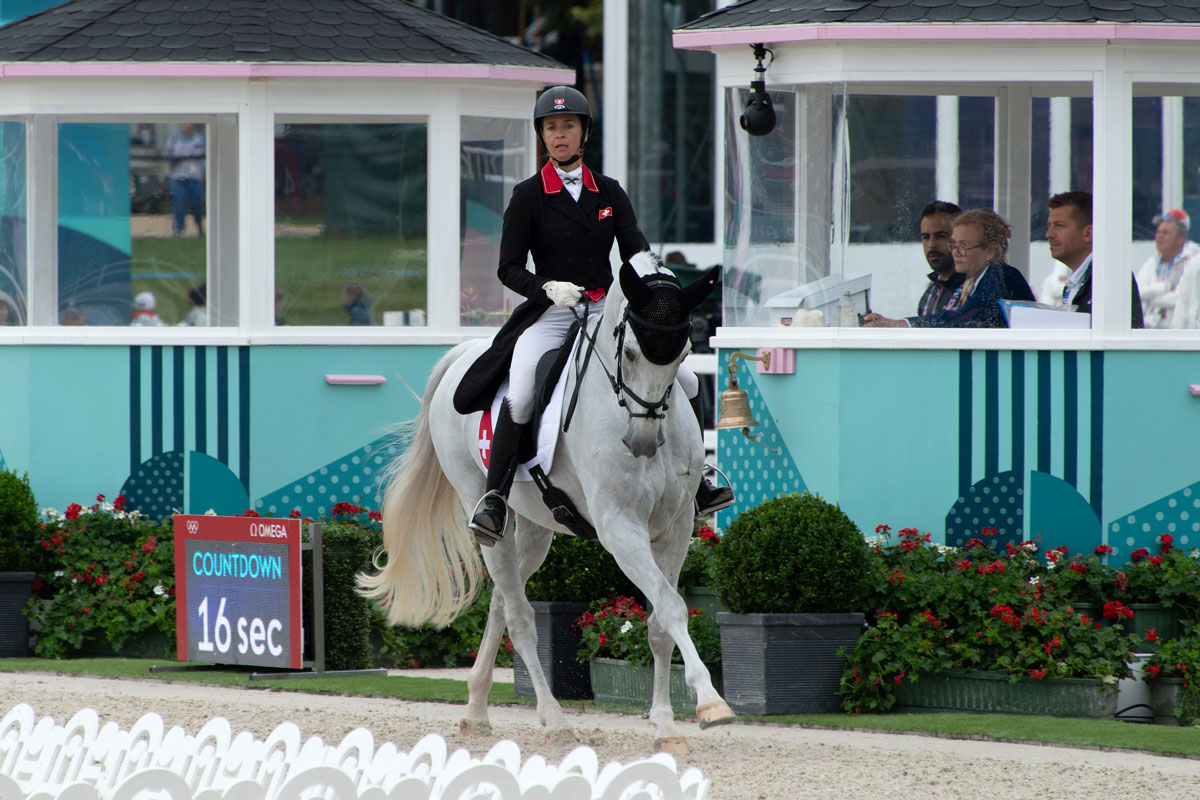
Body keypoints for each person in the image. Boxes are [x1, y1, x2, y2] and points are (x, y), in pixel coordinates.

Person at [452, 85, 732, 545]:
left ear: (584, 133)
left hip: (605, 307)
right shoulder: (528, 195)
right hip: (553, 310)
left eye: (568, 126)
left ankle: (699, 477)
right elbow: (508, 267)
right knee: (520, 394)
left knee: (685, 378)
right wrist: (546, 288)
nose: (559, 134)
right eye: (550, 127)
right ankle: (495, 499)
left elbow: (636, 250)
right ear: (542, 136)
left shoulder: (609, 191)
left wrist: (656, 281)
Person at [863, 208, 1034, 328]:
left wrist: (901, 324)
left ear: (990, 251)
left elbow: (965, 318)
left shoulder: (1001, 277)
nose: (956, 253)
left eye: (964, 246)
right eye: (954, 245)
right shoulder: (972, 280)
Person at [1046, 191, 1144, 328]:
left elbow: (1117, 337)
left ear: (1088, 233)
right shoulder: (1084, 279)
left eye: (1059, 225)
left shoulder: (1109, 279)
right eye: (1049, 226)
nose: (1049, 234)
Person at [1135, 208, 1200, 328]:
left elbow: (1183, 297)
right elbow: (1137, 292)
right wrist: (1165, 287)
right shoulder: (1153, 261)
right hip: (1152, 329)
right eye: (1158, 232)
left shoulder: (1194, 261)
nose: (1159, 236)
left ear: (1180, 239)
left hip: (1181, 333)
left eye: (1165, 233)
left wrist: (1150, 300)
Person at [915, 200, 966, 316]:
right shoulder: (929, 295)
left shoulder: (973, 288)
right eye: (926, 237)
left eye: (940, 236)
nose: (931, 244)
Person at [162, 123, 205, 237]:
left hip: (194, 177)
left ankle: (199, 226)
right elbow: (167, 157)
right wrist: (167, 172)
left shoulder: (199, 140)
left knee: (196, 203)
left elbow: (203, 159)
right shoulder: (174, 139)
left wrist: (203, 174)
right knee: (179, 203)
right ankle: (179, 229)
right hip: (178, 177)